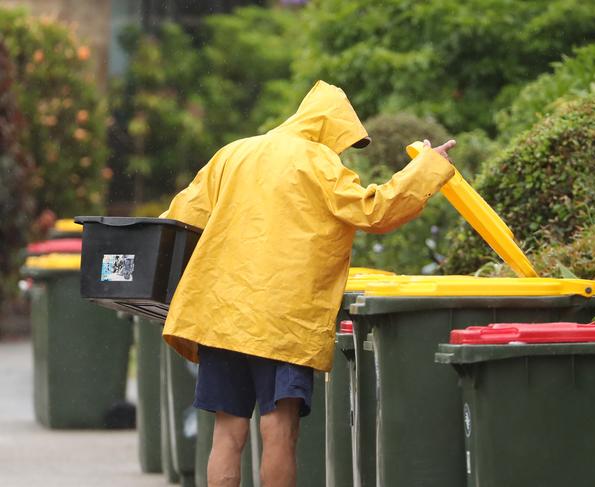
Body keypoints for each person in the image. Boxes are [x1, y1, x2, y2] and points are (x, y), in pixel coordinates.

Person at [160, 80, 456, 487]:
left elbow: (181, 218)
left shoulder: (233, 154)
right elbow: (374, 211)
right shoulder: (317, 162)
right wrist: (426, 168)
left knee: (227, 434)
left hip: (220, 315)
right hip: (283, 321)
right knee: (278, 431)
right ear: (331, 128)